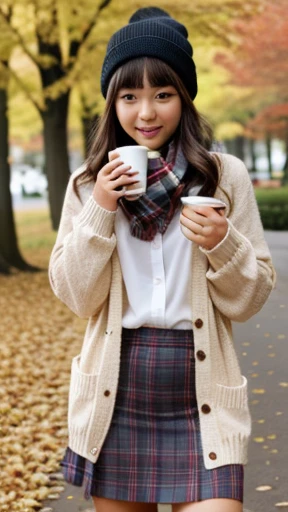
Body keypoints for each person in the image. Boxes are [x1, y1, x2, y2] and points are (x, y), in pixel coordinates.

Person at [49, 7, 276, 512]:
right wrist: (100, 211)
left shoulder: (223, 177)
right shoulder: (88, 185)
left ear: (184, 98)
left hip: (204, 395)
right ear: (112, 103)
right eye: (129, 96)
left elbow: (250, 298)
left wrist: (223, 243)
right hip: (117, 394)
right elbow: (76, 295)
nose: (146, 113)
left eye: (162, 95)